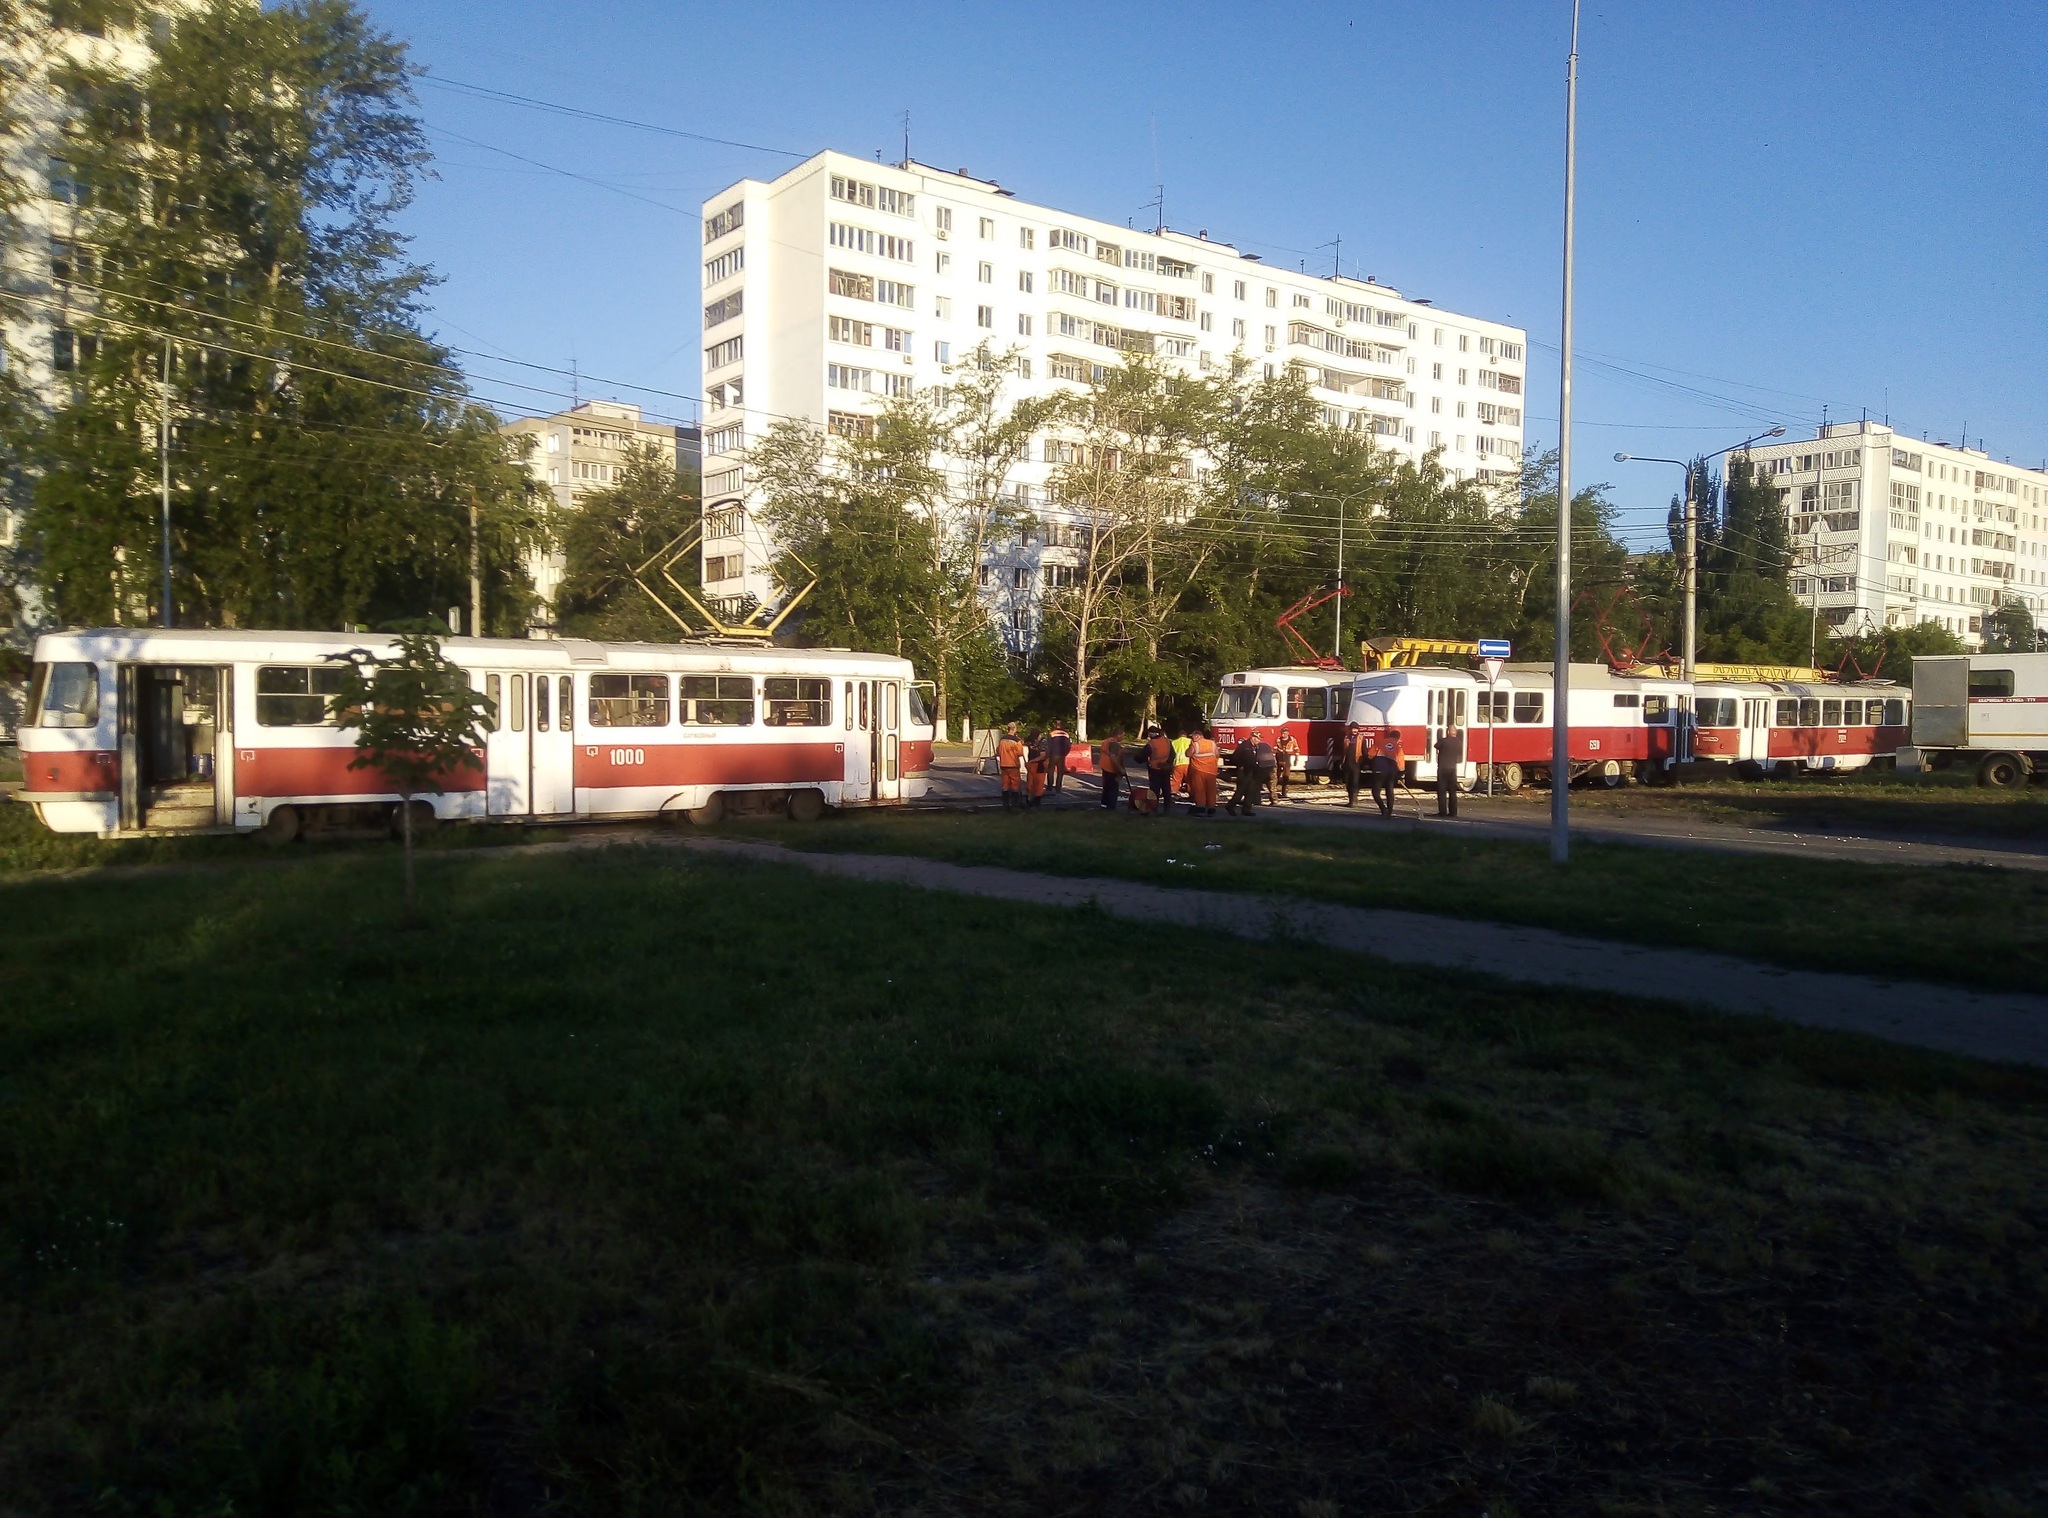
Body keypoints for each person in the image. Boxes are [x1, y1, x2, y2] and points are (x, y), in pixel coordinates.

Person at [1186, 725, 1220, 816]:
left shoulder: (1195, 744)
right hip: (1211, 771)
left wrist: (1190, 746)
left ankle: (1200, 808)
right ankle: (1211, 809)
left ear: (1197, 736)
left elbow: (1188, 754)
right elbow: (1217, 754)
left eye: (1192, 737)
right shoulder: (1212, 743)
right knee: (1211, 790)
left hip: (1198, 770)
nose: (1192, 739)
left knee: (1199, 789)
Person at [1434, 720, 1465, 818]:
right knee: (1452, 792)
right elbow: (1459, 752)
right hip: (1453, 769)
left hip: (1443, 769)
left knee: (1442, 791)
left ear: (1448, 732)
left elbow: (1436, 746)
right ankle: (1453, 812)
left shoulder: (1444, 741)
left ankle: (1442, 812)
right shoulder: (1459, 743)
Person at [1143, 725, 1174, 816]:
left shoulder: (1151, 744)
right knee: (1166, 789)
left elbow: (1142, 755)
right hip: (1165, 769)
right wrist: (1168, 764)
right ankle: (1166, 809)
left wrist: (1137, 759)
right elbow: (1172, 754)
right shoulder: (1167, 741)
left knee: (1154, 790)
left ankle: (1154, 808)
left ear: (1150, 733)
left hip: (1154, 769)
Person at [996, 722, 1027, 811]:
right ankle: (1014, 805)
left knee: (1005, 785)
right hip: (1013, 765)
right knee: (1015, 785)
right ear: (1014, 729)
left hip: (1003, 764)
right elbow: (1020, 753)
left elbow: (998, 750)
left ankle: (1005, 805)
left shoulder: (1002, 740)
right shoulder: (1016, 741)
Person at [1371, 729, 1402, 818]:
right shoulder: (1397, 746)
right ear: (1398, 738)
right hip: (1392, 771)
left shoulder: (1380, 742)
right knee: (1389, 790)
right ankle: (1390, 811)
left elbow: (1371, 754)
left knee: (1376, 792)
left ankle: (1383, 809)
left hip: (1379, 769)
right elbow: (1400, 760)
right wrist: (1400, 773)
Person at [1095, 731, 1125, 810]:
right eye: (1122, 735)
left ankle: (1104, 805)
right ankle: (1111, 807)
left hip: (1105, 767)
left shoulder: (1107, 741)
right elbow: (1113, 757)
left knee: (1106, 787)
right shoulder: (1114, 744)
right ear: (1118, 735)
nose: (1123, 737)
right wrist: (1120, 769)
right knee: (1113, 788)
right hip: (1111, 768)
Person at [1273, 727, 1300, 803]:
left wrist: (1296, 759)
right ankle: (1273, 792)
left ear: (1288, 733)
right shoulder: (1278, 739)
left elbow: (1296, 749)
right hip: (1278, 759)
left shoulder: (1292, 740)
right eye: (1282, 733)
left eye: (1284, 733)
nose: (1283, 734)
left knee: (1286, 776)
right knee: (1276, 776)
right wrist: (1276, 752)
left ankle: (1284, 792)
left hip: (1287, 759)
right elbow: (1274, 748)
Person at [1045, 719, 1072, 793]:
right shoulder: (1066, 734)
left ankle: (1050, 786)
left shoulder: (1052, 733)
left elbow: (1049, 746)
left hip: (1053, 754)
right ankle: (1058, 787)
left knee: (1050, 770)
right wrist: (1065, 753)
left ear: (1055, 725)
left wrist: (1047, 756)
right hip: (1062, 755)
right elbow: (1068, 746)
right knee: (1060, 771)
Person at [1026, 729, 1049, 807]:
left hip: (1040, 765)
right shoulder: (1030, 739)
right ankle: (1029, 801)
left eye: (1036, 738)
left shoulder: (1043, 742)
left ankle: (1037, 803)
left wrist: (1031, 761)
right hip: (1032, 765)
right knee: (1030, 784)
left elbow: (1042, 756)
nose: (1035, 740)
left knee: (1038, 784)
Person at [1169, 727, 1191, 802]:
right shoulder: (1190, 741)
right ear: (1186, 735)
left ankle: (1173, 793)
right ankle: (1192, 793)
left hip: (1177, 763)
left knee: (1176, 779)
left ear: (1179, 735)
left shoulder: (1173, 742)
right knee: (1190, 780)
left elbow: (1170, 754)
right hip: (1188, 763)